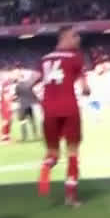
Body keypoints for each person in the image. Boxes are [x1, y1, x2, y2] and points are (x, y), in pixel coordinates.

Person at [34, 26, 91, 206]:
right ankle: (71, 197)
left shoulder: (44, 59)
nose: (78, 39)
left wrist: (40, 101)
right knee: (72, 152)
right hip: (69, 108)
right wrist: (86, 90)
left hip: (49, 110)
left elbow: (26, 85)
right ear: (64, 37)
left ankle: (45, 171)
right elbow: (85, 88)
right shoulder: (76, 57)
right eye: (75, 36)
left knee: (53, 153)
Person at [14, 75, 38, 141]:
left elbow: (17, 95)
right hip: (29, 105)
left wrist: (15, 99)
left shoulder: (18, 86)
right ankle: (35, 135)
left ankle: (24, 137)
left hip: (22, 106)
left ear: (19, 78)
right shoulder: (28, 84)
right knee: (32, 121)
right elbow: (33, 94)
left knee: (23, 122)